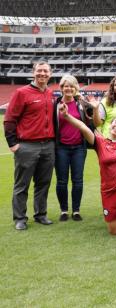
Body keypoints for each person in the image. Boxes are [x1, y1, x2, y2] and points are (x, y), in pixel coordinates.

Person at [59, 103, 116, 241]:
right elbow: (82, 127)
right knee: (114, 231)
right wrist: (66, 116)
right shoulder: (100, 142)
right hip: (109, 191)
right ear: (110, 124)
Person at [4, 61, 55, 230]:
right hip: (27, 146)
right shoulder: (21, 92)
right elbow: (10, 119)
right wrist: (13, 144)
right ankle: (20, 218)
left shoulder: (50, 93)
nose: (42, 74)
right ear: (33, 73)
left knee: (43, 183)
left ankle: (41, 214)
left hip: (48, 145)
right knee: (22, 184)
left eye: (45, 71)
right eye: (39, 71)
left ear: (50, 74)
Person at [53, 75, 93, 222]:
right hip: (61, 148)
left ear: (75, 88)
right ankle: (64, 210)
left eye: (71, 86)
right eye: (65, 86)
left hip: (78, 148)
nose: (68, 89)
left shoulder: (81, 104)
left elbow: (93, 117)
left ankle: (76, 210)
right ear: (61, 88)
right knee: (62, 181)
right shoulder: (55, 104)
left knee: (78, 180)